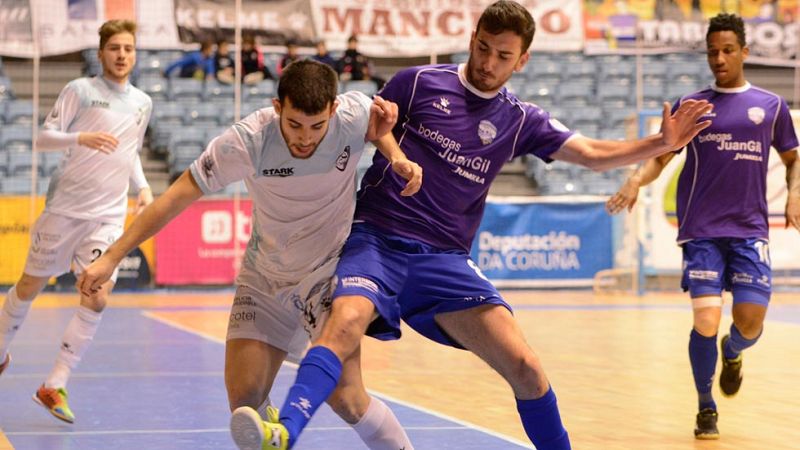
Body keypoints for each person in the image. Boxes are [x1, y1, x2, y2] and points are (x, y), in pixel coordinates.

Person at [238, 1, 714, 449]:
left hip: (444, 261)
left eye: (502, 55)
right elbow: (364, 130)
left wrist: (659, 143)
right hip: (376, 240)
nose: (488, 62)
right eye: (483, 48)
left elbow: (589, 154)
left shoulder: (520, 119)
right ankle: (285, 431)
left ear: (521, 60)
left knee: (526, 366)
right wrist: (390, 157)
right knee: (344, 325)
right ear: (471, 39)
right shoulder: (417, 82)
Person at [77, 60, 422, 450]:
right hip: (265, 276)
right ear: (277, 108)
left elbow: (379, 130)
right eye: (294, 125)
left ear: (333, 110)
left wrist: (396, 156)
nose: (305, 139)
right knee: (245, 401)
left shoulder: (353, 113)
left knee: (346, 397)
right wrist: (111, 257)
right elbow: (172, 200)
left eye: (316, 126)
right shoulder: (246, 142)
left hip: (326, 273)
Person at [606, 13, 799, 440]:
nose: (719, 58)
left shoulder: (771, 106)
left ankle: (733, 354)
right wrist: (636, 179)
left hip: (750, 230)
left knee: (747, 324)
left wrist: (795, 193)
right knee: (706, 321)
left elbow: (793, 159)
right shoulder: (692, 106)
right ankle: (705, 407)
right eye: (712, 51)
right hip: (702, 230)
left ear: (744, 52)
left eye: (728, 50)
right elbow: (661, 155)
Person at [0, 19, 153, 424]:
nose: (122, 55)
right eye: (115, 48)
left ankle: (55, 383)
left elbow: (130, 150)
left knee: (97, 295)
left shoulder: (142, 102)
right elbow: (43, 138)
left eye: (129, 49)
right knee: (30, 286)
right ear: (101, 52)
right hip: (65, 209)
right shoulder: (80, 91)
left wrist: (142, 188)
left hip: (107, 215)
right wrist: (79, 138)